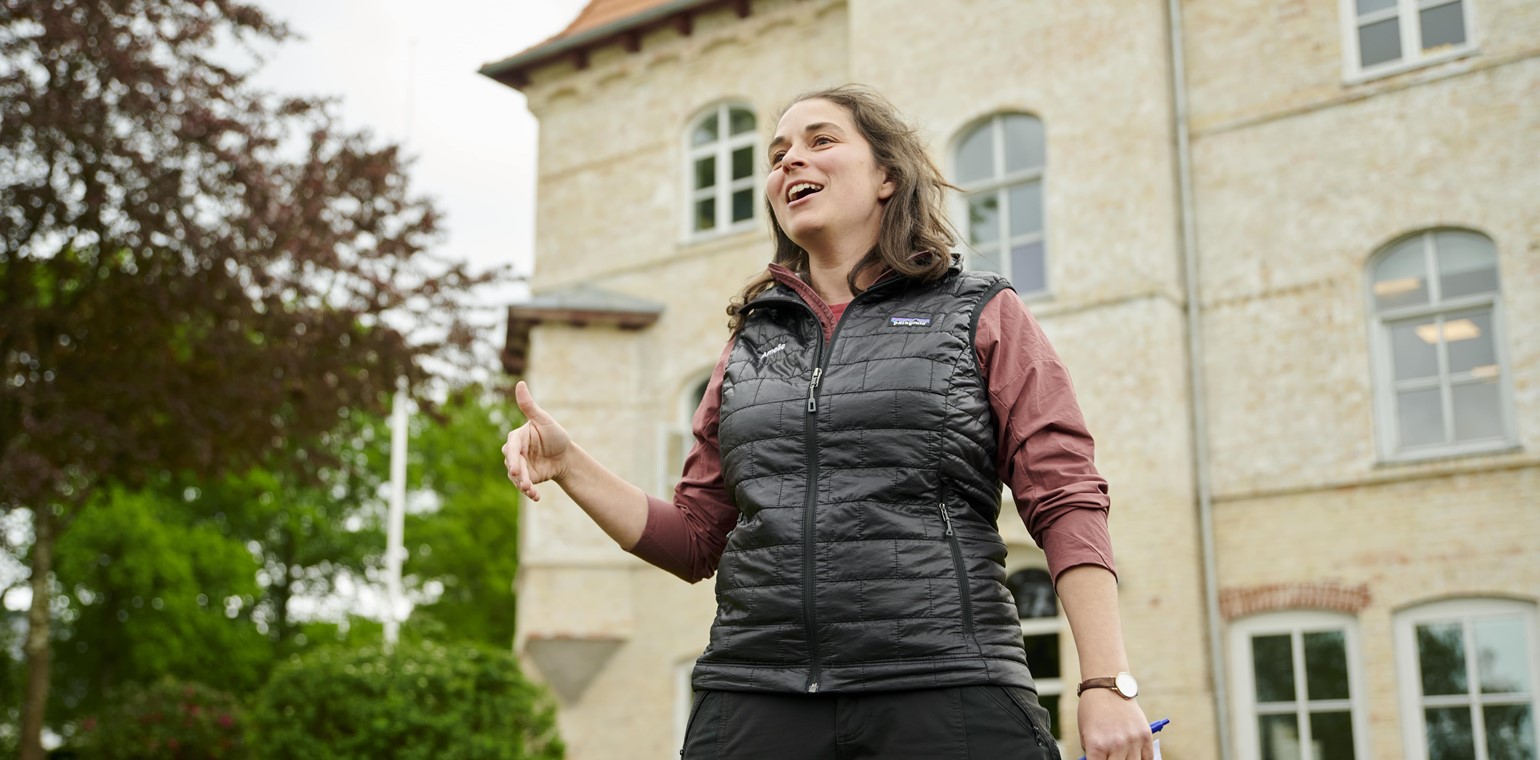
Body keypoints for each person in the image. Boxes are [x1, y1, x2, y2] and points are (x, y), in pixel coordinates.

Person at [502, 84, 1153, 760]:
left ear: (886, 176)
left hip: (946, 687)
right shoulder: (750, 344)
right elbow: (695, 539)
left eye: (820, 141)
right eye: (777, 153)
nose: (790, 161)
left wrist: (1106, 680)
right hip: (755, 695)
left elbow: (1065, 494)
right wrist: (570, 464)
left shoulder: (980, 311)